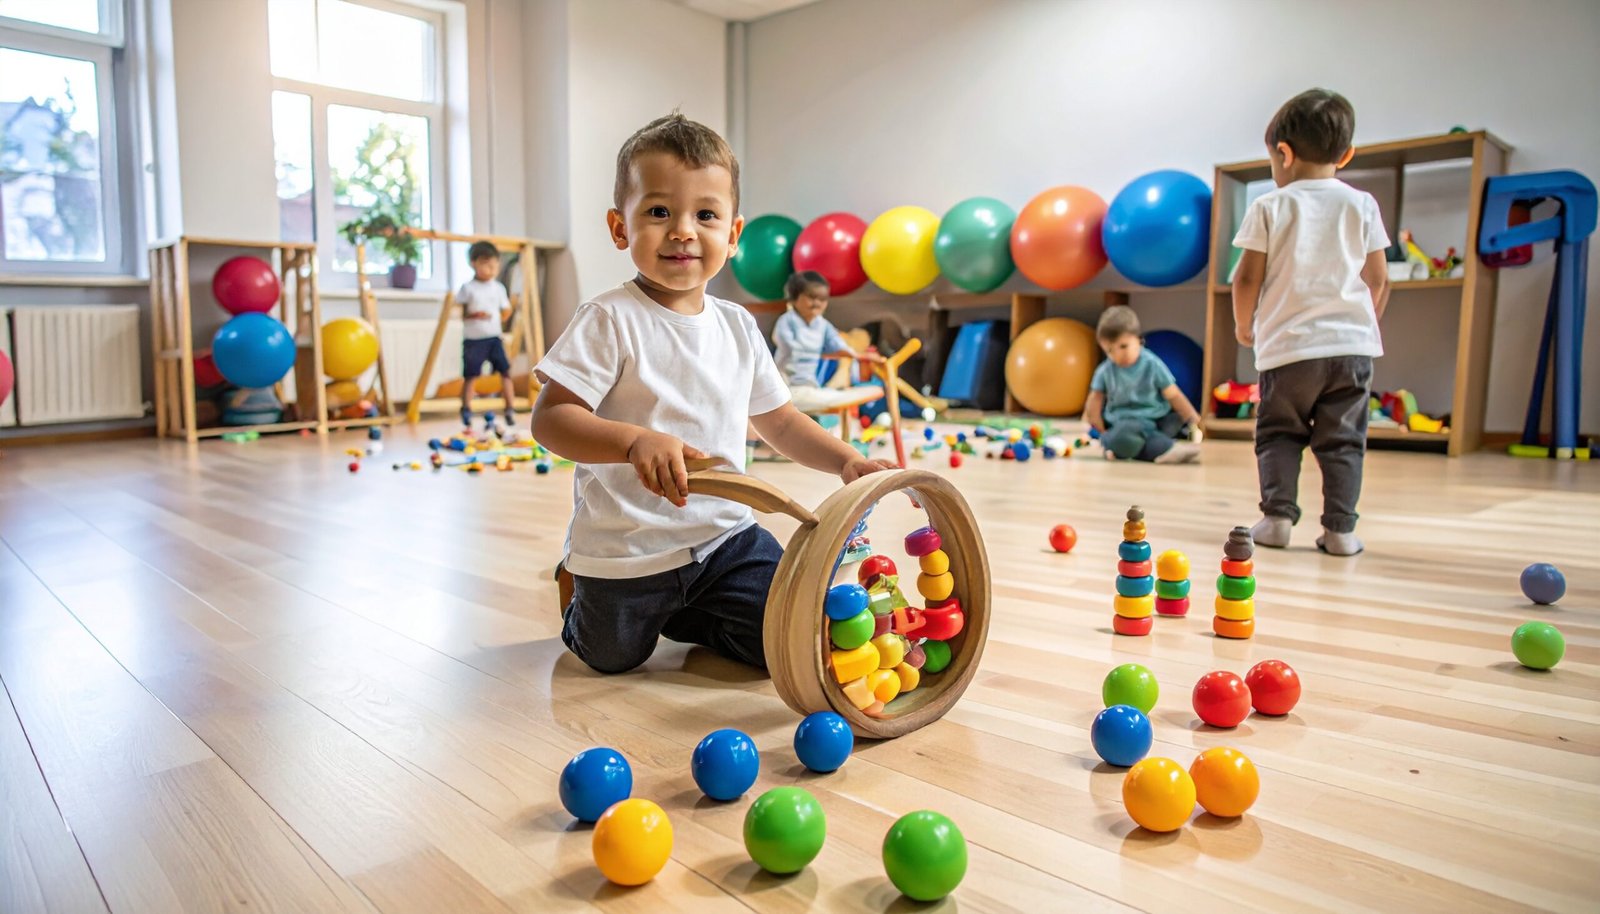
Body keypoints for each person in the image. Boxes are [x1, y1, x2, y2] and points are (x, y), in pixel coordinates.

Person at [531, 113, 895, 674]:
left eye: (705, 215)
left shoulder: (739, 325)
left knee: (783, 642)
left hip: (726, 538)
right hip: (629, 546)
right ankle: (578, 584)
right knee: (611, 658)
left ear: (733, 234)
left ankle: (691, 612)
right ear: (619, 227)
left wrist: (846, 460)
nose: (683, 231)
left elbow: (781, 421)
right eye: (659, 212)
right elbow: (552, 418)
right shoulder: (608, 318)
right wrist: (632, 441)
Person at [1232, 88, 1390, 556]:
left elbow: (1246, 278)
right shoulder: (1362, 204)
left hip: (1290, 350)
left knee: (1279, 433)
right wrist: (1361, 326)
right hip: (1352, 350)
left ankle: (1277, 519)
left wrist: (1244, 325)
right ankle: (1340, 532)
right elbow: (1378, 278)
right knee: (1344, 441)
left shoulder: (1270, 206)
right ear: (1347, 154)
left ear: (1284, 153)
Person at [1084, 305, 1203, 463]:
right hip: (1123, 422)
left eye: (1123, 346)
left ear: (1139, 340)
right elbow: (1095, 400)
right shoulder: (1105, 370)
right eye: (1110, 351)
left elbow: (1174, 395)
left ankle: (1117, 447)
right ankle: (1166, 449)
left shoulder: (1152, 364)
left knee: (1174, 421)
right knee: (1126, 431)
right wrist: (1100, 429)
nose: (1118, 355)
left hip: (1155, 420)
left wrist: (1194, 419)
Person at [771, 270, 883, 413]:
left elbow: (837, 344)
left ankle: (823, 398)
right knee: (803, 397)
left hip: (809, 386)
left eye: (823, 299)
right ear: (794, 298)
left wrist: (861, 356)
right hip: (787, 385)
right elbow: (786, 344)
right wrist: (817, 350)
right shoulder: (787, 320)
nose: (817, 303)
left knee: (874, 390)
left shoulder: (822, 325)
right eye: (811, 297)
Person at [456, 241, 517, 435]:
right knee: (471, 375)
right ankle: (466, 409)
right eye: (486, 265)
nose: (491, 270)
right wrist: (474, 315)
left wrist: (505, 314)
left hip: (493, 338)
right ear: (474, 263)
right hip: (473, 340)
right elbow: (460, 313)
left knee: (505, 372)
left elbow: (505, 310)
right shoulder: (468, 288)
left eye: (494, 266)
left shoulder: (498, 288)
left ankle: (510, 408)